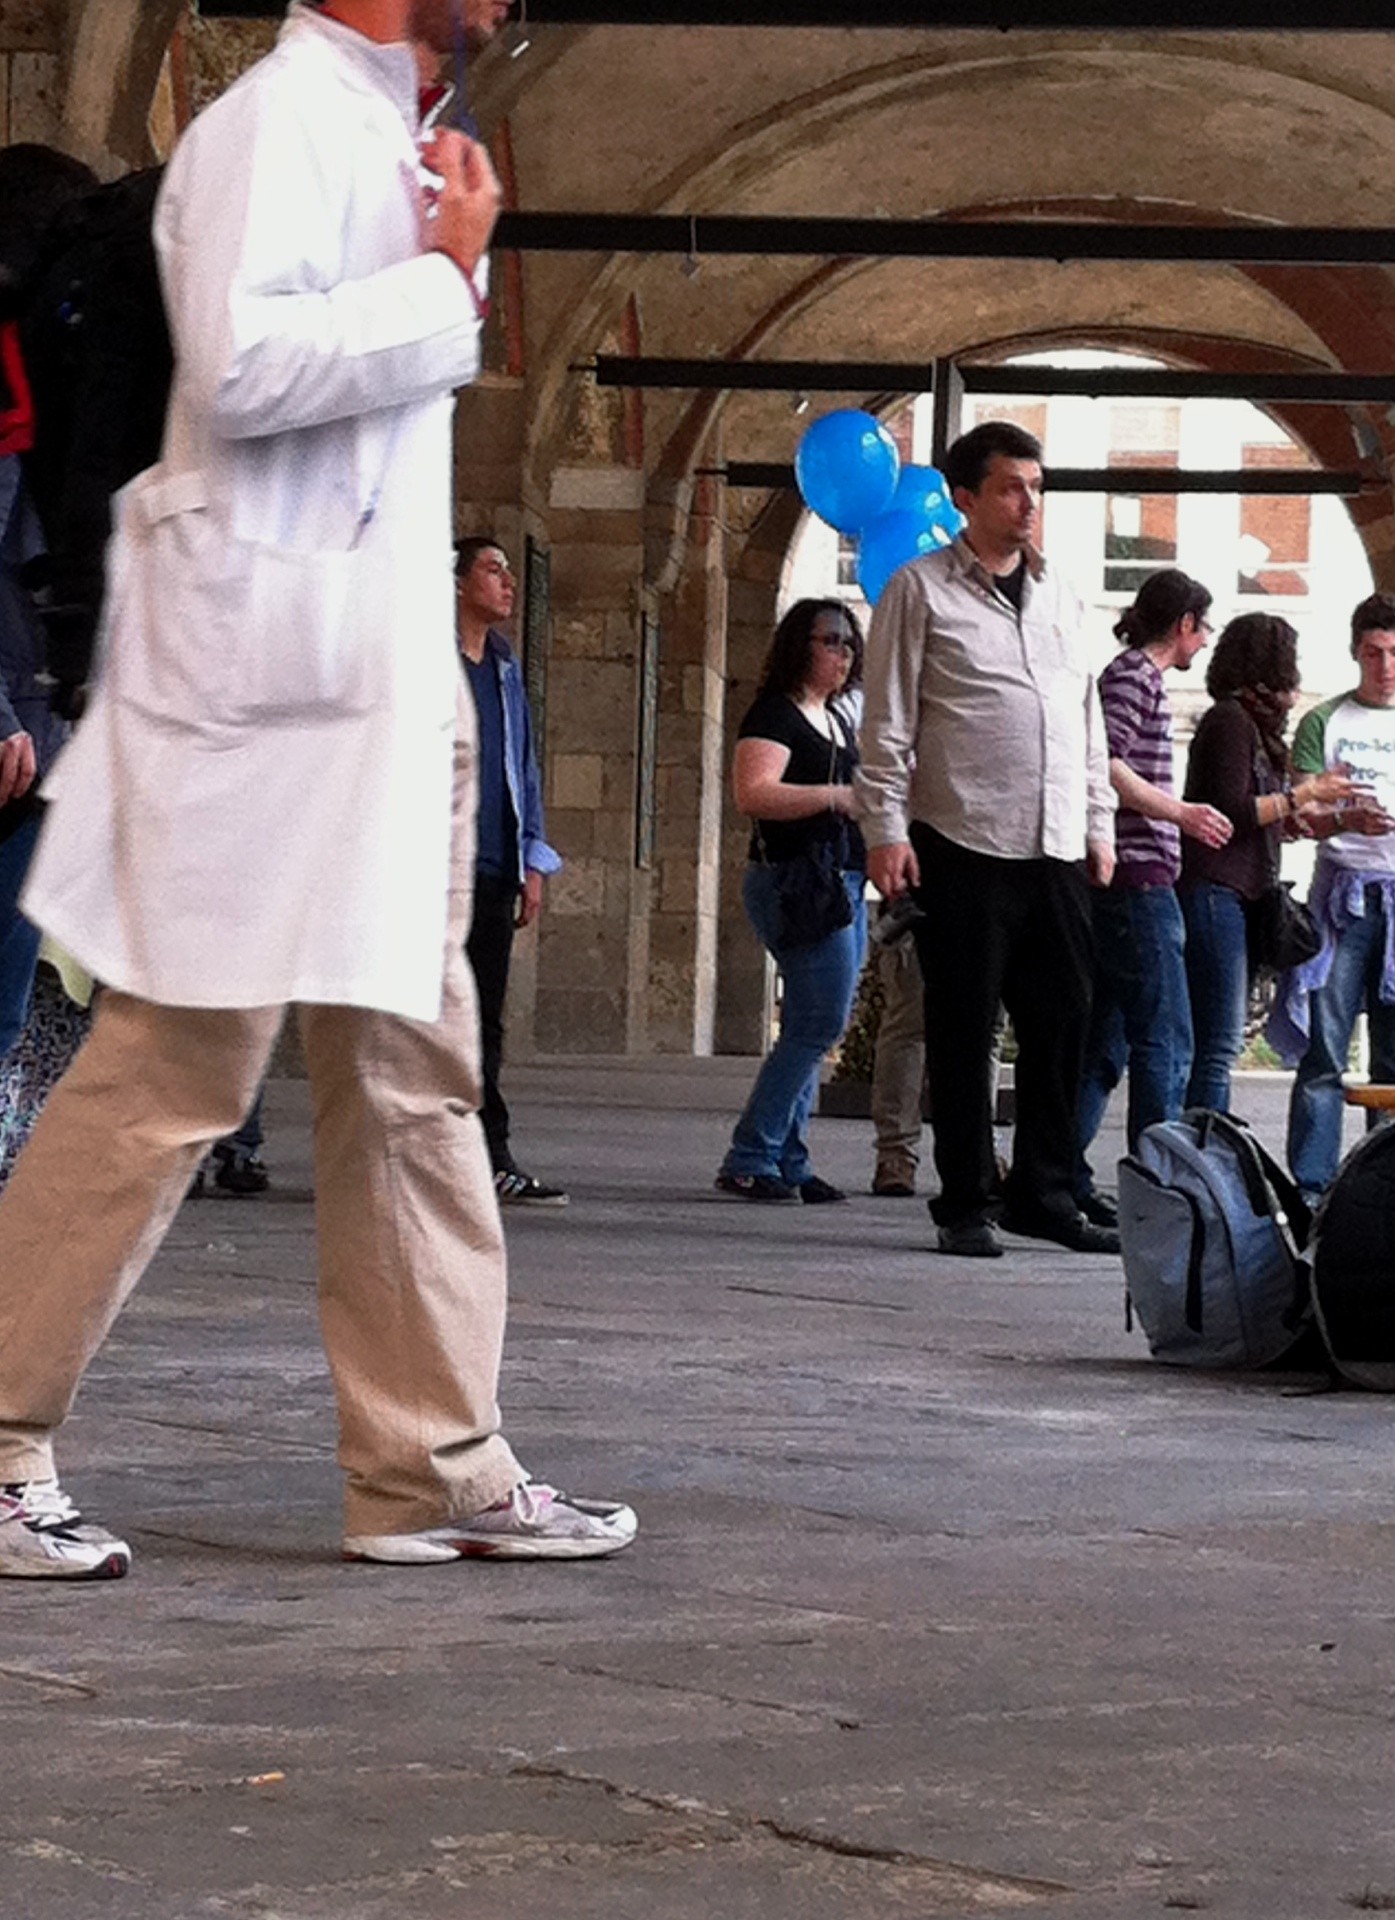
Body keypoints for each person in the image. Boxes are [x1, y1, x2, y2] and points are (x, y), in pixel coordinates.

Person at [0, 0, 636, 1581]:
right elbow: (243, 366)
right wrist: (446, 282)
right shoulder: (274, 121)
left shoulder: (387, 131)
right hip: (258, 693)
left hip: (372, 693)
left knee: (416, 1074)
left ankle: (431, 1464)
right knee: (171, 1071)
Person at [857, 419, 1118, 1259]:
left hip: (1055, 844)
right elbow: (886, 721)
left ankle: (1044, 1191)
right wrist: (883, 830)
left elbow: (1085, 720)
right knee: (963, 1030)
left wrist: (1098, 821)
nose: (1027, 504)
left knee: (1063, 1020)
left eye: (1036, 488)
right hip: (962, 837)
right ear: (965, 499)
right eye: (1010, 488)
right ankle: (966, 1198)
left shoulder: (1063, 593)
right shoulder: (919, 590)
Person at [1075, 569, 1232, 1219]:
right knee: (1167, 1039)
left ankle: (1060, 1171)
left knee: (1107, 1041)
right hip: (1138, 879)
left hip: (1135, 876)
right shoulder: (1133, 678)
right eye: (1203, 626)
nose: (1206, 639)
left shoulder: (1132, 678)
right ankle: (1157, 1189)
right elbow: (1104, 764)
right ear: (1184, 623)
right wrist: (1180, 813)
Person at [716, 599, 867, 1203]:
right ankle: (752, 1154)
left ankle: (789, 1157)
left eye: (849, 643)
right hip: (793, 880)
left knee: (815, 1022)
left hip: (840, 881)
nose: (842, 654)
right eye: (830, 640)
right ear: (799, 645)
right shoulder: (775, 713)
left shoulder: (836, 718)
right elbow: (753, 793)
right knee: (817, 1020)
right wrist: (832, 796)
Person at [1178, 612, 1357, 1115]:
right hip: (1217, 890)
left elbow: (1261, 815)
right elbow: (1231, 811)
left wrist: (1315, 816)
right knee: (1219, 1040)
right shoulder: (1230, 721)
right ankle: (1205, 1143)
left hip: (1236, 892)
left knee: (1219, 1039)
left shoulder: (1252, 726)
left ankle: (1205, 1136)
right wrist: (1306, 794)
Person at [454, 535, 566, 1206]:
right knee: (428, 1016)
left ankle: (488, 1155)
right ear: (457, 582)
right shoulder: (429, 660)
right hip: (436, 866)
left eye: (509, 571)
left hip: (496, 865)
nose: (508, 582)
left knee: (484, 1018)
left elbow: (521, 764)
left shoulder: (503, 667)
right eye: (493, 569)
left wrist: (534, 858)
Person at [1276, 594, 1395, 1205]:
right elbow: (1299, 814)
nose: (1386, 667)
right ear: (1355, 652)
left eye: (1394, 653)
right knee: (1325, 1045)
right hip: (1343, 893)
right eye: (1374, 653)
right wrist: (1346, 818)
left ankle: (1383, 1184)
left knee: (1393, 1058)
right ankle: (1313, 1189)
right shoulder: (1325, 720)